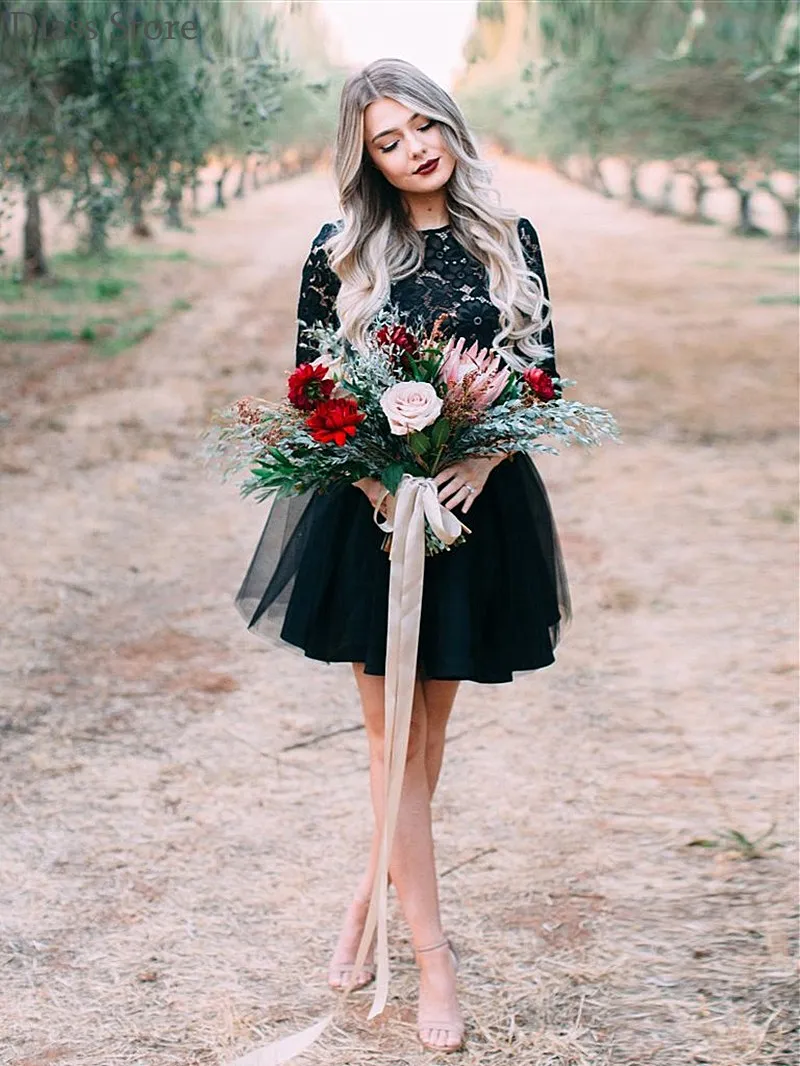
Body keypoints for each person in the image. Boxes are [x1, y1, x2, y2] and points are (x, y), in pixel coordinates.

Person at [235, 57, 572, 1054]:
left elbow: (544, 380)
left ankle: (361, 906)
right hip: (373, 520)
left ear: (449, 125)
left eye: (424, 125)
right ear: (366, 158)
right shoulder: (338, 251)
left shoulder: (509, 239)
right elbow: (312, 388)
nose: (414, 147)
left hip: (474, 513)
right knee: (389, 747)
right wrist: (383, 486)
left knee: (421, 749)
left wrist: (483, 453)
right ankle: (431, 957)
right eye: (388, 139)